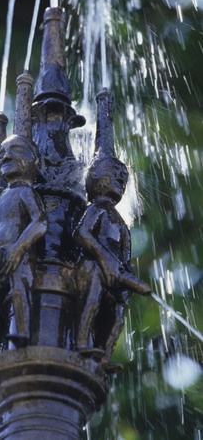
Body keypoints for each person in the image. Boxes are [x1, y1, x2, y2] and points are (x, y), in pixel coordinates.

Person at [73, 156, 151, 363]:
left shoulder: (122, 223)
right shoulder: (96, 209)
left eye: (123, 178)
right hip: (92, 267)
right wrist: (104, 258)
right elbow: (81, 234)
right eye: (113, 172)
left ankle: (103, 356)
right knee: (92, 298)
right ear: (93, 177)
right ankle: (81, 342)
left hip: (114, 276)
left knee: (117, 315)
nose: (119, 179)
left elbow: (125, 257)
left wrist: (127, 280)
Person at [0, 134, 47, 350]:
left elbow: (40, 222)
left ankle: (21, 334)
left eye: (15, 150)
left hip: (20, 255)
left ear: (35, 161)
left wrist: (18, 249)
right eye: (2, 153)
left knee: (19, 291)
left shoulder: (26, 193)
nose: (6, 157)